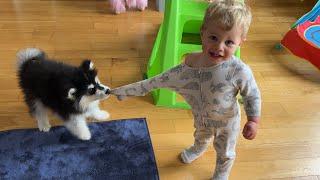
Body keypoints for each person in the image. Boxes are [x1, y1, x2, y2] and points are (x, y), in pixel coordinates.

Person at [111, 0, 261, 179]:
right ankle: (198, 148)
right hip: (201, 115)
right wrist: (126, 91)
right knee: (200, 134)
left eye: (229, 42)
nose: (219, 47)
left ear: (240, 42)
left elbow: (252, 95)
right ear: (202, 32)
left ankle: (221, 174)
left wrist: (253, 120)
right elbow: (159, 80)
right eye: (213, 37)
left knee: (225, 152)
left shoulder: (239, 71)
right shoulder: (191, 63)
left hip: (227, 121)